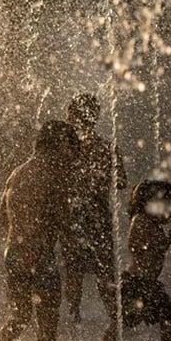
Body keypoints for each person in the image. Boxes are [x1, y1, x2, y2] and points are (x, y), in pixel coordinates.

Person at [0, 120, 78, 341]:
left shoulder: (17, 173)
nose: (72, 154)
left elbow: (1, 218)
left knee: (19, 316)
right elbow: (63, 220)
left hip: (15, 252)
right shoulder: (53, 175)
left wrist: (21, 240)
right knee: (48, 318)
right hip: (38, 255)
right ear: (58, 146)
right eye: (69, 147)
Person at [99, 180, 171, 341]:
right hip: (136, 282)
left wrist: (165, 241)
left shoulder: (150, 222)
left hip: (146, 282)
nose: (167, 210)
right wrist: (166, 242)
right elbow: (140, 245)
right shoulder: (140, 220)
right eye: (164, 204)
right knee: (122, 319)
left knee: (165, 314)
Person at [61, 93, 126, 322]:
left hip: (74, 216)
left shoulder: (66, 151)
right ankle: (113, 314)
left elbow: (57, 180)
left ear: (75, 116)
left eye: (69, 113)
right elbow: (121, 182)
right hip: (99, 215)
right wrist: (99, 177)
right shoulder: (106, 148)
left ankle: (74, 313)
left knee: (74, 267)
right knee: (104, 267)